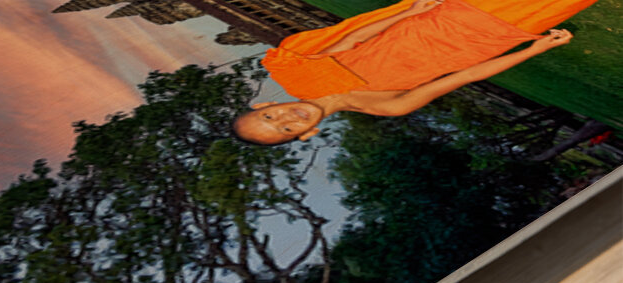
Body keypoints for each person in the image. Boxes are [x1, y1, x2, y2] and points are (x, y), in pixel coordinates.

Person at [232, 0, 597, 145]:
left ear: (265, 102)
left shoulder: (301, 75)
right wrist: (534, 48)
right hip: (492, 35)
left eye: (270, 115)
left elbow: (357, 35)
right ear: (306, 135)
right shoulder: (387, 108)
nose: (285, 118)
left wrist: (411, 10)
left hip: (450, 14)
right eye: (285, 129)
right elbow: (463, 77)